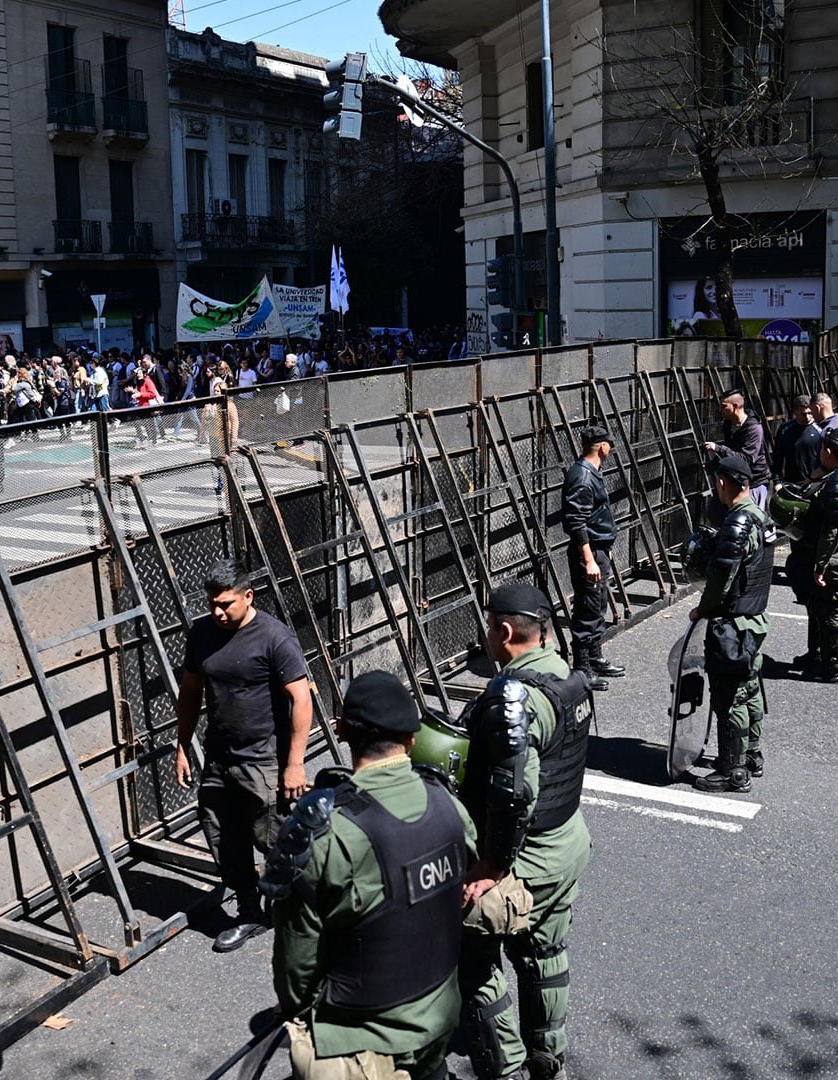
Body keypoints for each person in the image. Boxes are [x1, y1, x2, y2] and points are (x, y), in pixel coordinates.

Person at [262, 671, 473, 1080]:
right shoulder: (449, 806)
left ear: (340, 732)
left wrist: (296, 1010)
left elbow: (297, 963)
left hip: (364, 1040)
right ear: (412, 739)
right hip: (440, 1016)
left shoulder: (324, 835)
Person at [455, 582, 592, 1080]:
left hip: (526, 858)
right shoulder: (566, 676)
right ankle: (546, 1054)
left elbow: (515, 792)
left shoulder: (513, 697)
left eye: (490, 629)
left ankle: (505, 1067)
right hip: (567, 842)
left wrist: (492, 865)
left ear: (505, 631)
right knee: (545, 952)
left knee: (470, 956)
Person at [174, 560, 313, 953]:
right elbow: (190, 692)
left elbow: (301, 700)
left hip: (263, 758)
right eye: (212, 604)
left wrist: (295, 764)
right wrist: (183, 746)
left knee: (275, 837)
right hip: (219, 758)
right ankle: (251, 912)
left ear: (247, 596)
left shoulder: (274, 637)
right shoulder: (202, 634)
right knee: (222, 834)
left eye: (226, 604)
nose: (218, 612)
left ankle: (303, 911)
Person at [688, 450, 771, 792]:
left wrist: (702, 610)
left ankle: (732, 770)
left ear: (723, 482)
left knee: (730, 696)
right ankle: (751, 753)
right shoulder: (760, 516)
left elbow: (722, 578)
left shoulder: (737, 522)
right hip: (756, 618)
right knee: (750, 688)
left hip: (733, 623)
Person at [787, 430, 838, 684]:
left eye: (822, 448)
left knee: (832, 611)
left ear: (829, 452)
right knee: (817, 607)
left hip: (837, 557)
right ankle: (817, 655)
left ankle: (834, 665)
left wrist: (821, 565)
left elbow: (833, 528)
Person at [560, 424, 626, 689]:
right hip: (588, 553)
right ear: (603, 447)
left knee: (597, 605)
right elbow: (576, 521)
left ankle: (595, 658)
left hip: (597, 549)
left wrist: (603, 547)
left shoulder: (589, 472)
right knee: (587, 608)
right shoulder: (584, 477)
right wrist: (588, 558)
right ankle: (582, 667)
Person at [701, 388, 772, 513]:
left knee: (752, 522)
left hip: (754, 483)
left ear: (735, 406)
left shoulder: (754, 429)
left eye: (724, 406)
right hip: (735, 482)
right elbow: (732, 449)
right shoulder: (729, 424)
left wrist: (718, 448)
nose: (720, 410)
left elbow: (747, 459)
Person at [790, 392, 838, 484]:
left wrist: (811, 478)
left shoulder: (828, 430)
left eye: (811, 412)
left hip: (828, 481)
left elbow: (830, 462)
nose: (810, 416)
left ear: (817, 408)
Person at [770, 395, 812, 491]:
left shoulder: (819, 429)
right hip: (791, 483)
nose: (808, 417)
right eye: (804, 414)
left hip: (814, 483)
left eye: (810, 413)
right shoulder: (785, 430)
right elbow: (777, 458)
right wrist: (777, 482)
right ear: (795, 411)